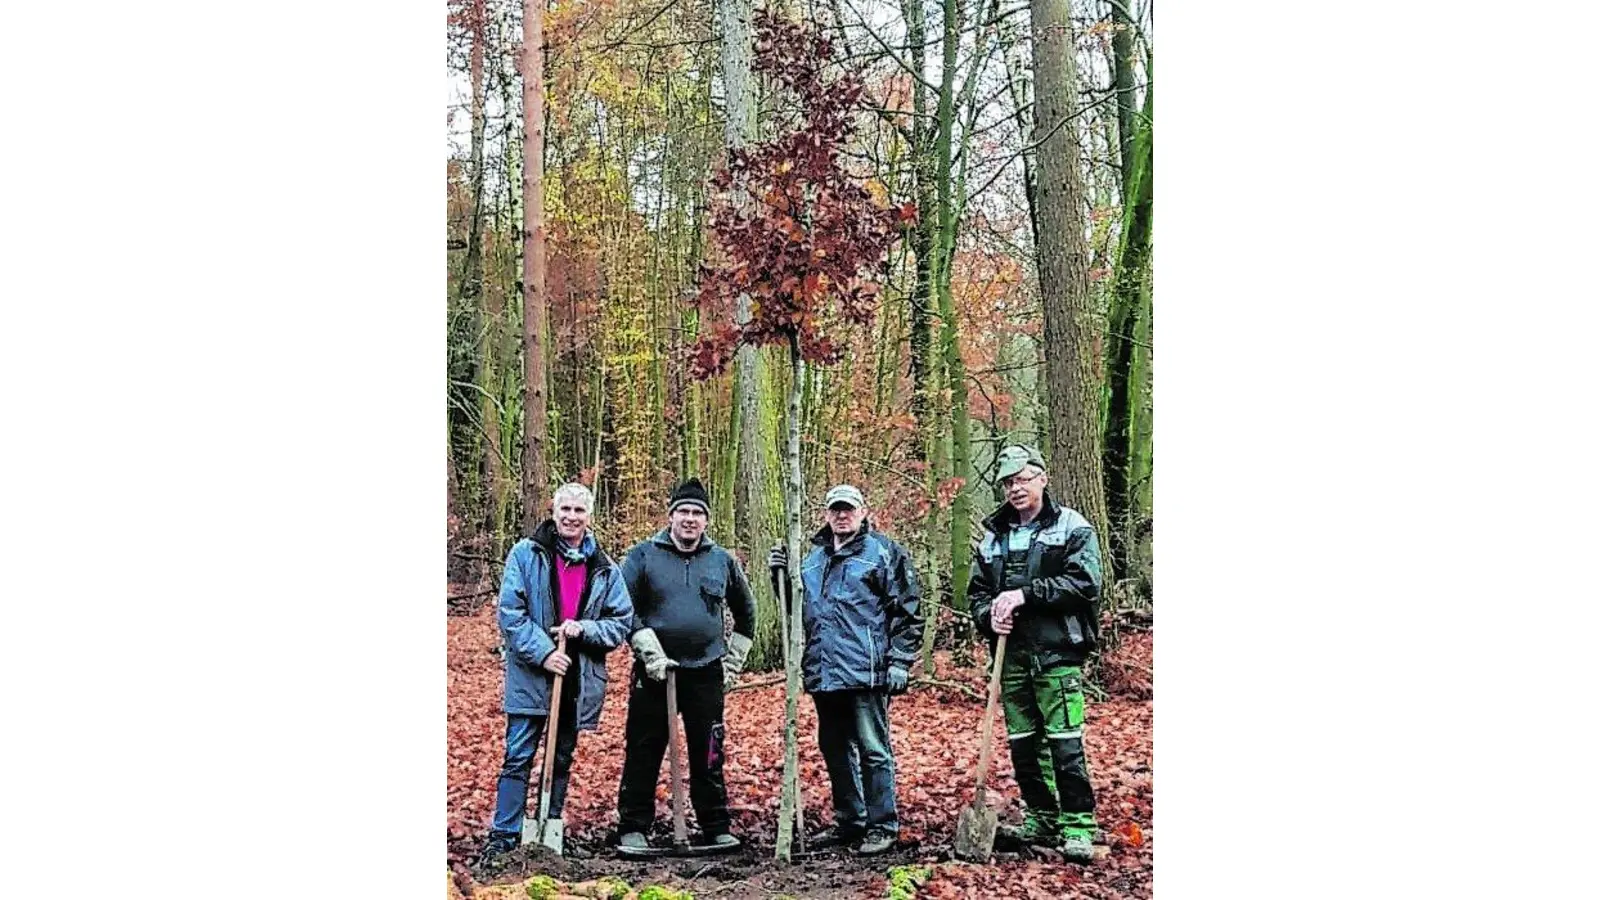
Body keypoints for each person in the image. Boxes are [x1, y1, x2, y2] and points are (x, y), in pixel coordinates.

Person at [767, 484, 923, 856]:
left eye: (848, 509)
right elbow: (797, 612)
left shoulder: (883, 554)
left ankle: (882, 824)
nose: (842, 515)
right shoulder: (813, 560)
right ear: (826, 514)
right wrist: (780, 578)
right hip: (824, 671)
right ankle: (851, 820)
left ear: (863, 511)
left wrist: (900, 659)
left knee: (873, 749)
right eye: (835, 509)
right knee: (835, 748)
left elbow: (909, 611)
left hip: (866, 672)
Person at [968, 445, 1104, 864]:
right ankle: (1041, 818)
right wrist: (989, 615)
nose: (1016, 488)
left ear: (1042, 478)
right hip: (1010, 657)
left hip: (1057, 652)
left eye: (1024, 478)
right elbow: (976, 594)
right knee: (1024, 744)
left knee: (1064, 742)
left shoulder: (1072, 527)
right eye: (1009, 482)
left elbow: (1084, 583)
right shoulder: (994, 535)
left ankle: (1078, 825)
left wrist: (1024, 594)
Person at [483, 482, 634, 857]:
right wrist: (545, 652)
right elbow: (511, 614)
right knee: (518, 755)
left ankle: (549, 827)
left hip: (577, 678)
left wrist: (584, 629)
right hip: (531, 676)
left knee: (561, 756)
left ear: (589, 517)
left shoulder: (605, 568)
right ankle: (504, 836)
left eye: (579, 511)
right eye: (565, 509)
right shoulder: (525, 554)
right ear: (554, 512)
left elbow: (620, 621)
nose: (571, 517)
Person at [616, 477, 757, 851]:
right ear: (671, 516)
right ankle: (633, 825)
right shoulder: (643, 556)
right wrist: (649, 650)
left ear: (706, 520)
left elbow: (747, 614)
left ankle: (715, 824)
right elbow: (622, 607)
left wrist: (732, 663)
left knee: (709, 749)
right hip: (655, 671)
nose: (690, 519)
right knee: (644, 747)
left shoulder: (722, 561)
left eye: (697, 513)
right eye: (684, 512)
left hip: (706, 672)